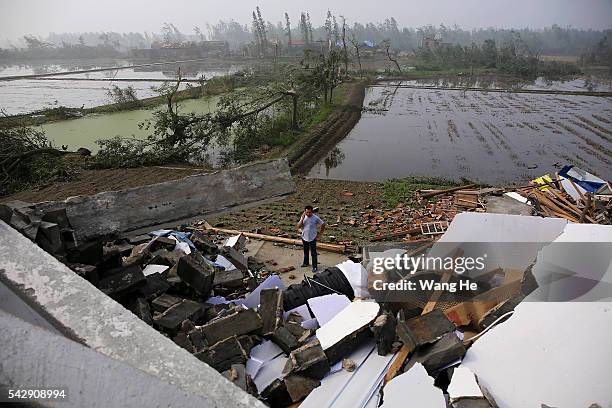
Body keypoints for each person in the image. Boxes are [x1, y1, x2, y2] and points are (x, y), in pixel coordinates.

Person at [297, 205, 325, 272]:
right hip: (304, 237)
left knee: (313, 253)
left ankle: (314, 266)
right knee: (305, 251)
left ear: (312, 211)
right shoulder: (303, 217)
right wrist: (302, 218)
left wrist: (320, 235)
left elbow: (323, 225)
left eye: (310, 212)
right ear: (305, 212)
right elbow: (298, 226)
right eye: (307, 212)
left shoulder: (315, 218)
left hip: (312, 238)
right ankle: (306, 263)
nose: (308, 214)